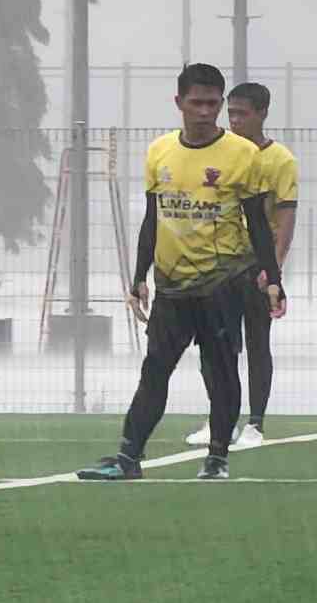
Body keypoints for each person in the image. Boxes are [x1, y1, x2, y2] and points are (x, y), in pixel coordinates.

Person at [78, 62, 286, 484]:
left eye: (212, 103)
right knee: (155, 370)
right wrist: (139, 276)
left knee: (220, 371)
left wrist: (273, 279)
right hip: (171, 288)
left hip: (223, 285)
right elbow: (152, 218)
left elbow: (257, 223)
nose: (205, 111)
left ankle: (217, 457)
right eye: (196, 103)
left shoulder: (243, 155)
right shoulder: (160, 151)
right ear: (179, 103)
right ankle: (127, 457)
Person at [186, 80, 298, 451]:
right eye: (230, 113)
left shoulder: (280, 160)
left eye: (242, 114)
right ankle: (219, 419)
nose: (234, 120)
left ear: (262, 114)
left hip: (256, 266)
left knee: (257, 343)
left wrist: (273, 269)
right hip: (218, 266)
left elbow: (285, 217)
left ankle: (255, 424)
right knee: (215, 344)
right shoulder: (219, 153)